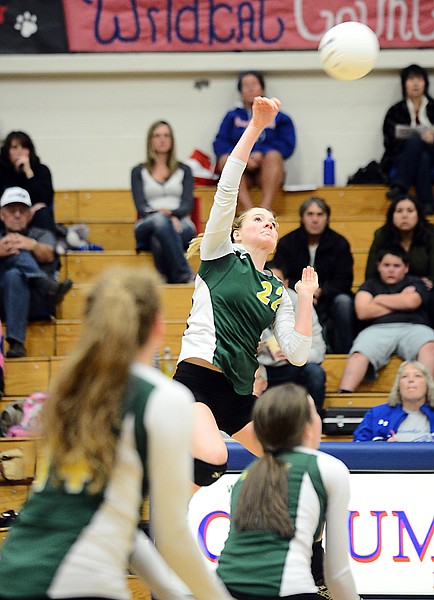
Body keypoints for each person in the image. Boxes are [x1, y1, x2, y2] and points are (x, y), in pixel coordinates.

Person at [0, 266, 232, 600]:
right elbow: (171, 534)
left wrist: (169, 590)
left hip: (15, 572)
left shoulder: (73, 388)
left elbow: (112, 520)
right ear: (157, 325)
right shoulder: (162, 397)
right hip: (75, 580)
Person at [173, 96, 317, 489]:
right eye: (258, 217)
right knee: (213, 459)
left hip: (235, 393)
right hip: (195, 380)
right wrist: (256, 126)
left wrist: (303, 297)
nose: (268, 222)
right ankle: (165, 519)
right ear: (237, 232)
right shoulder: (220, 253)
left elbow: (299, 353)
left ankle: (308, 548)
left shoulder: (276, 290)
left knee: (294, 467)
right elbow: (227, 186)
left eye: (272, 220)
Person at [216, 382, 360, 600]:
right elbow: (337, 574)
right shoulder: (327, 467)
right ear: (308, 426)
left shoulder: (248, 474)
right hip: (286, 591)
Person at [339, 247, 434, 393]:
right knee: (359, 353)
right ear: (378, 266)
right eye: (386, 265)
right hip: (377, 329)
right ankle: (343, 399)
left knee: (430, 346)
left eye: (396, 266)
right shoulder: (369, 284)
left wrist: (378, 299)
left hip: (414, 327)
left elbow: (412, 303)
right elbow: (363, 312)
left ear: (406, 267)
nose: (391, 270)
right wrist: (400, 300)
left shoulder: (416, 282)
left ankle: (428, 395)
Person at [271, 196, 355, 354]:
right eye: (310, 214)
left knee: (344, 302)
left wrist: (320, 291)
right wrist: (304, 291)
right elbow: (280, 274)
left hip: (329, 297)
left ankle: (345, 353)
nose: (315, 220)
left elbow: (344, 279)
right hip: (295, 295)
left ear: (327, 218)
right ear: (302, 218)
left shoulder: (339, 243)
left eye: (320, 214)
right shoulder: (287, 242)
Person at [0, 187, 72, 358]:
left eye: (22, 210)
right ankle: (47, 286)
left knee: (14, 272)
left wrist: (31, 245)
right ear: (2, 214)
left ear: (30, 215)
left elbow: (48, 254)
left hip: (35, 300)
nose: (17, 215)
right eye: (12, 210)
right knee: (13, 269)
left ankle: (17, 344)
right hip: (3, 299)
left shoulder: (42, 234)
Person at [213, 71, 296, 210]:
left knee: (274, 156)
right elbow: (219, 143)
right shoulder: (231, 117)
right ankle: (248, 211)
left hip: (267, 170)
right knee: (225, 160)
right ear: (240, 91)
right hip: (242, 172)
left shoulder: (279, 117)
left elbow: (288, 144)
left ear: (262, 88)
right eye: (245, 86)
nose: (250, 88)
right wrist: (244, 157)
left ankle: (265, 209)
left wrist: (262, 153)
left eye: (254, 84)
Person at [131, 120, 196, 284]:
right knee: (160, 222)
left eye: (166, 136)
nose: (162, 140)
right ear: (150, 140)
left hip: (181, 223)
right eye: (157, 136)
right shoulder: (138, 171)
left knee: (158, 239)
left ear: (172, 140)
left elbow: (187, 204)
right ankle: (184, 273)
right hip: (148, 222)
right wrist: (165, 216)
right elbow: (141, 207)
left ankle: (164, 282)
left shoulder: (184, 170)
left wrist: (173, 215)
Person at [256, 285, 326, 417]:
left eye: (277, 280)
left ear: (286, 283)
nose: (270, 284)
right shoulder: (251, 298)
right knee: (247, 375)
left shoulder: (299, 301)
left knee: (315, 373)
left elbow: (319, 351)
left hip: (294, 366)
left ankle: (314, 420)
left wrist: (295, 355)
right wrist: (253, 351)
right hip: (263, 367)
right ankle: (252, 424)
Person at [365, 193, 434, 324]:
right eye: (399, 211)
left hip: (423, 289)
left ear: (418, 214)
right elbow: (371, 272)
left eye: (410, 211)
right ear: (392, 215)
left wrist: (425, 284)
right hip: (388, 288)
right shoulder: (382, 235)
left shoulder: (431, 234)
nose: (404, 215)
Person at [381, 64, 434, 214]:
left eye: (419, 79)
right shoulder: (395, 111)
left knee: (419, 144)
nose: (415, 83)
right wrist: (414, 139)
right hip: (402, 156)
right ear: (404, 84)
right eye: (411, 79)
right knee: (421, 154)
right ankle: (427, 203)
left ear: (425, 83)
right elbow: (389, 142)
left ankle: (400, 185)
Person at [354, 360, 434, 442]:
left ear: (428, 384)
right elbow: (358, 447)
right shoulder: (376, 414)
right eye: (405, 376)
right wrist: (386, 448)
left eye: (417, 376)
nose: (411, 380)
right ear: (398, 386)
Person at [0, 131, 56, 232]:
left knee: (43, 213)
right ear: (7, 152)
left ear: (30, 151)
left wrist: (28, 172)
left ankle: (46, 245)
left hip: (32, 215)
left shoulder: (41, 170)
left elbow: (45, 199)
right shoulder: (1, 172)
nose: (19, 152)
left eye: (24, 147)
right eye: (15, 147)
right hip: (5, 218)